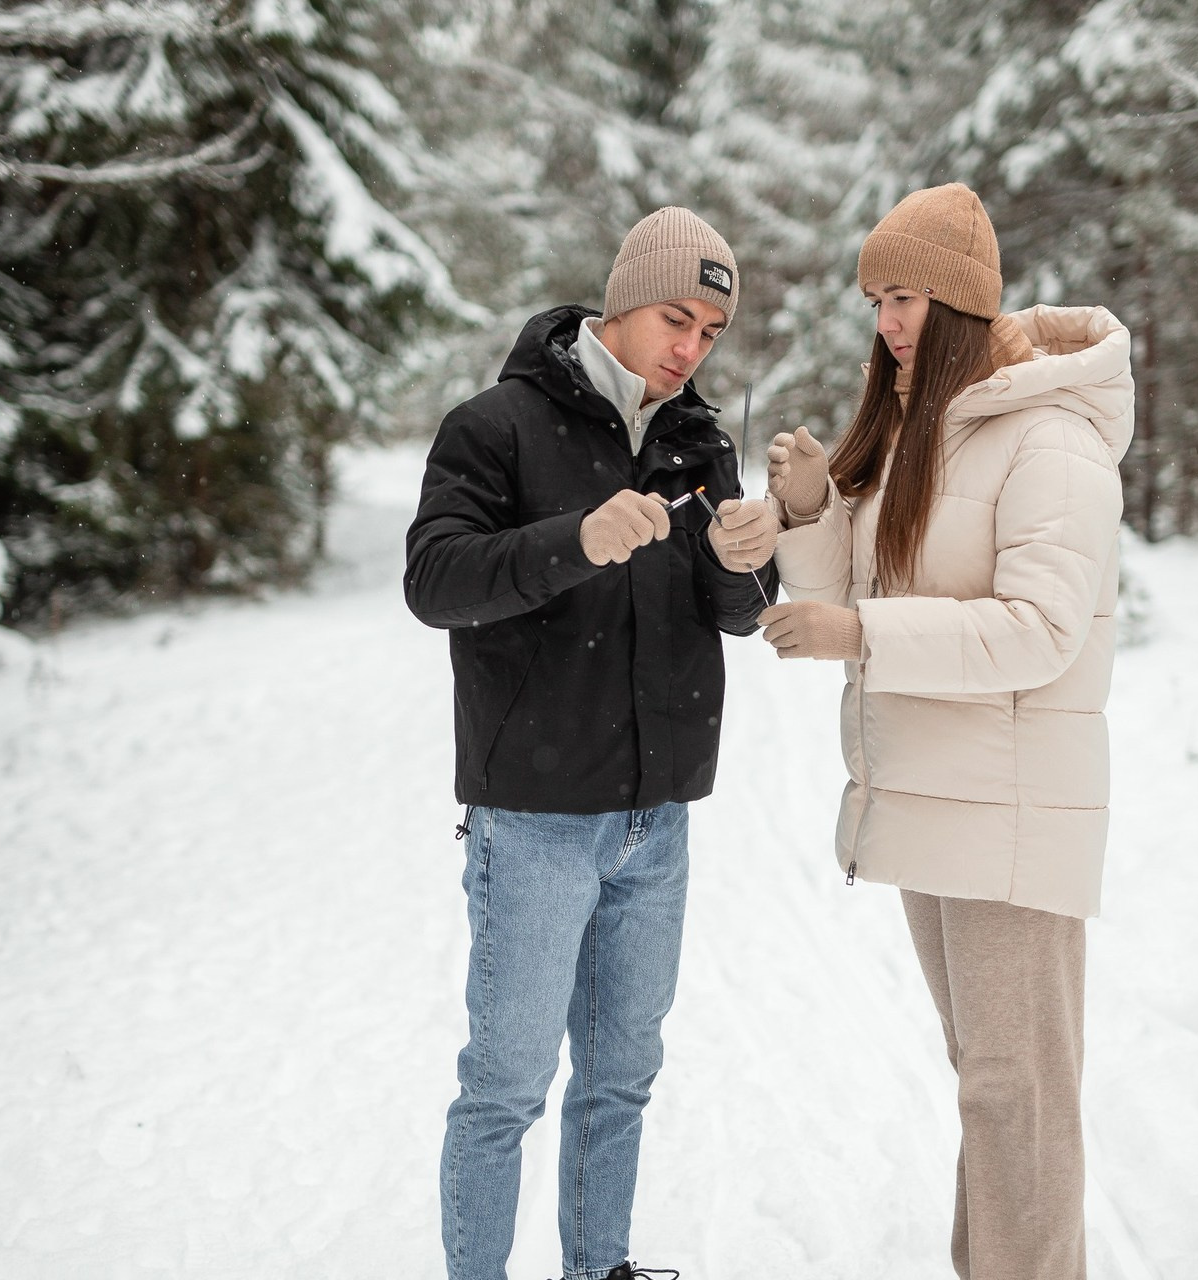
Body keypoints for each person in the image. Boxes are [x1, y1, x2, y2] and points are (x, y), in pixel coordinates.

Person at [759, 182, 1133, 1279]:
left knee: (1016, 1094)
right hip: (938, 803)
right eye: (876, 298)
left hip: (1010, 817)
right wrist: (810, 507)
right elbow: (857, 584)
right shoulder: (929, 427)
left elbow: (1038, 631)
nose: (884, 320)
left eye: (905, 296)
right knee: (987, 1077)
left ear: (961, 302)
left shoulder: (1047, 437)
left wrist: (857, 629)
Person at [404, 206, 778, 1280]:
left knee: (620, 1077)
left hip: (656, 820)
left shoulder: (698, 437)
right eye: (675, 317)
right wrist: (573, 540)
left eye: (709, 331)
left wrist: (748, 555)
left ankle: (596, 1266)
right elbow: (434, 580)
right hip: (532, 820)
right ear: (619, 300)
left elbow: (737, 610)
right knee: (506, 1085)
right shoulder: (496, 425)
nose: (689, 347)